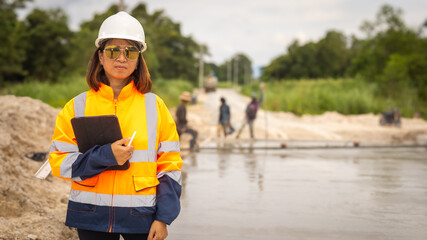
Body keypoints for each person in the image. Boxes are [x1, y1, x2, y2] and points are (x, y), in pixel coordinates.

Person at [48, 12, 182, 240]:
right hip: (90, 215)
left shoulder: (155, 106)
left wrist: (163, 218)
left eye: (130, 51)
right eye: (112, 51)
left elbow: (170, 167)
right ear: (100, 56)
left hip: (141, 217)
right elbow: (58, 162)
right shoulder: (77, 106)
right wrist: (105, 155)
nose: (121, 58)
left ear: (139, 58)